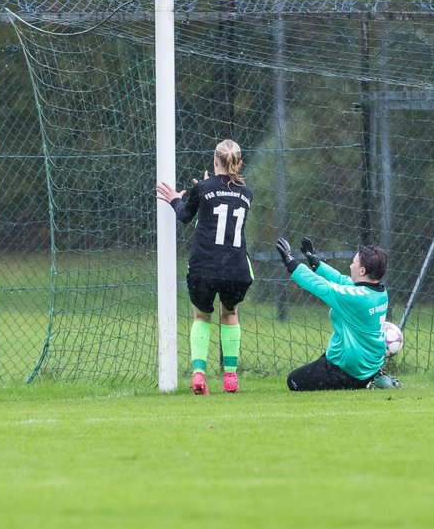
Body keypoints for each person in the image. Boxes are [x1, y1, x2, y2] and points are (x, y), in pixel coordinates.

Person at [156, 139, 253, 395]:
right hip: (236, 269)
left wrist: (176, 199)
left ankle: (199, 375)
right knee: (229, 315)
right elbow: (225, 199)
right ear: (239, 163)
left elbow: (186, 216)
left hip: (204, 268)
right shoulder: (247, 193)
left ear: (214, 161)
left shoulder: (203, 190)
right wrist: (208, 189)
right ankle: (230, 377)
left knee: (202, 316)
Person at [275, 238, 400, 391]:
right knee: (326, 358)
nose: (350, 265)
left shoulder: (356, 297)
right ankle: (373, 376)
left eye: (354, 262)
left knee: (293, 381)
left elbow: (323, 287)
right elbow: (342, 280)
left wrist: (291, 263)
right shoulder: (379, 292)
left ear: (362, 271)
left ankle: (364, 382)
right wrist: (317, 264)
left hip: (349, 369)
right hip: (368, 362)